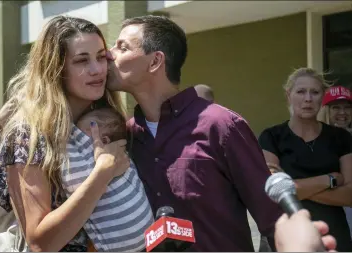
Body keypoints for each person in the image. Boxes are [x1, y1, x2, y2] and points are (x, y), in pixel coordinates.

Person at [106, 15, 282, 251]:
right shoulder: (126, 137)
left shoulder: (221, 126)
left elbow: (274, 220)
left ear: (155, 61)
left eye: (122, 47)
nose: (109, 53)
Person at [0, 16, 133, 252]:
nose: (97, 70)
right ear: (56, 68)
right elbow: (40, 243)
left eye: (100, 57)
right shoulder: (29, 136)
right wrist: (102, 173)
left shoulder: (107, 123)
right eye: (81, 61)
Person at [259, 68, 352, 251]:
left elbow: (350, 195)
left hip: (334, 235)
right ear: (289, 95)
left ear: (322, 97)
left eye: (315, 92)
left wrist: (292, 189)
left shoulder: (341, 138)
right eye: (301, 92)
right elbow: (273, 194)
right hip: (286, 235)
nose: (308, 98)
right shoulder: (271, 137)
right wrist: (329, 180)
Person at [71, 107, 154, 251]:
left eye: (80, 136)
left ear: (104, 139)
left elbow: (73, 181)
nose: (76, 140)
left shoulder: (123, 158)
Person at [318, 85, 352, 239]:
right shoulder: (315, 140)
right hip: (324, 209)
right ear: (325, 110)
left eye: (347, 107)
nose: (343, 113)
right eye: (336, 108)